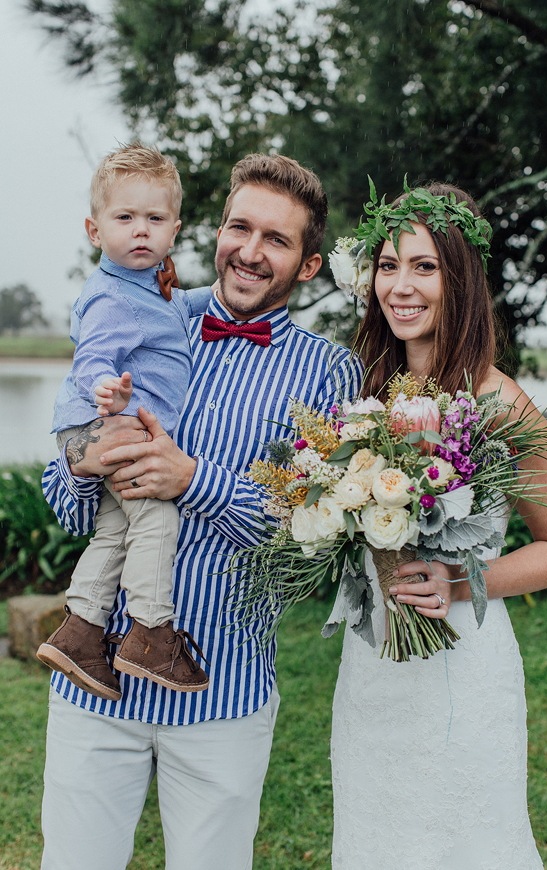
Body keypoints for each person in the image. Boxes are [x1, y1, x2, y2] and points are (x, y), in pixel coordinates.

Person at [40, 153, 362, 870]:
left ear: (307, 266)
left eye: (275, 240)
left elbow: (310, 539)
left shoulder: (330, 374)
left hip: (225, 693)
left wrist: (194, 480)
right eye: (238, 228)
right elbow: (63, 501)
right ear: (213, 232)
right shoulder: (134, 315)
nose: (249, 252)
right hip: (97, 693)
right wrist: (83, 461)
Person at [327, 182, 547, 869]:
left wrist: (458, 582)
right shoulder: (365, 394)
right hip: (373, 663)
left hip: (460, 666)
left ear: (460, 278)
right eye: (388, 265)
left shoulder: (500, 403)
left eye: (424, 267)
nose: (400, 286)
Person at [37, 142, 212, 699]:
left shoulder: (145, 289)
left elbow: (178, 307)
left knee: (116, 529)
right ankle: (151, 634)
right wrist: (103, 389)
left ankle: (81, 630)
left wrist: (222, 296)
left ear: (174, 230)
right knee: (158, 517)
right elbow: (93, 355)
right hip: (111, 425)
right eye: (125, 218)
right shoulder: (113, 297)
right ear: (95, 230)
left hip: (107, 428)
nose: (141, 231)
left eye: (154, 219)